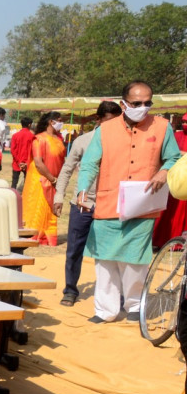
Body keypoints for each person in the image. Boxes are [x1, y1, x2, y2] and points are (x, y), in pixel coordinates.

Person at [76, 81, 182, 324]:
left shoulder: (162, 127)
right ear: (124, 104)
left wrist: (164, 171)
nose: (143, 108)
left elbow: (174, 157)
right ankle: (106, 310)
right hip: (108, 202)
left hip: (143, 203)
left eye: (148, 103)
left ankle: (134, 305)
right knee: (105, 261)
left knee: (135, 260)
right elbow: (90, 163)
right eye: (137, 103)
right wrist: (83, 190)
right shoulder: (105, 129)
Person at [53, 101, 123, 306]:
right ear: (99, 120)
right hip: (83, 203)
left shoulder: (123, 144)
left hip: (110, 204)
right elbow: (66, 170)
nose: (113, 126)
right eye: (109, 121)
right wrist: (59, 197)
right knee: (75, 248)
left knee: (111, 251)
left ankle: (115, 293)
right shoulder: (83, 141)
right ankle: (70, 290)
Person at [20, 111, 66, 247]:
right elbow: (38, 163)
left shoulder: (58, 139)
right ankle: (35, 234)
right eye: (59, 120)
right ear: (51, 122)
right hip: (40, 179)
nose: (61, 123)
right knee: (39, 206)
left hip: (54, 179)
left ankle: (48, 236)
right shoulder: (39, 139)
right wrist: (51, 178)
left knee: (50, 207)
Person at [152, 110, 187, 249]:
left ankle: (179, 243)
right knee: (167, 212)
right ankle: (162, 240)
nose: (185, 124)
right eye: (183, 122)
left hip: (184, 182)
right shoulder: (176, 136)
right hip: (173, 178)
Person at [9, 117, 34, 189]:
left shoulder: (15, 135)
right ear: (29, 125)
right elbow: (33, 151)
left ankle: (13, 196)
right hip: (27, 163)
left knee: (14, 182)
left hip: (17, 162)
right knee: (27, 183)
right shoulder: (32, 136)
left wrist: (19, 162)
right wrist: (26, 162)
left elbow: (13, 150)